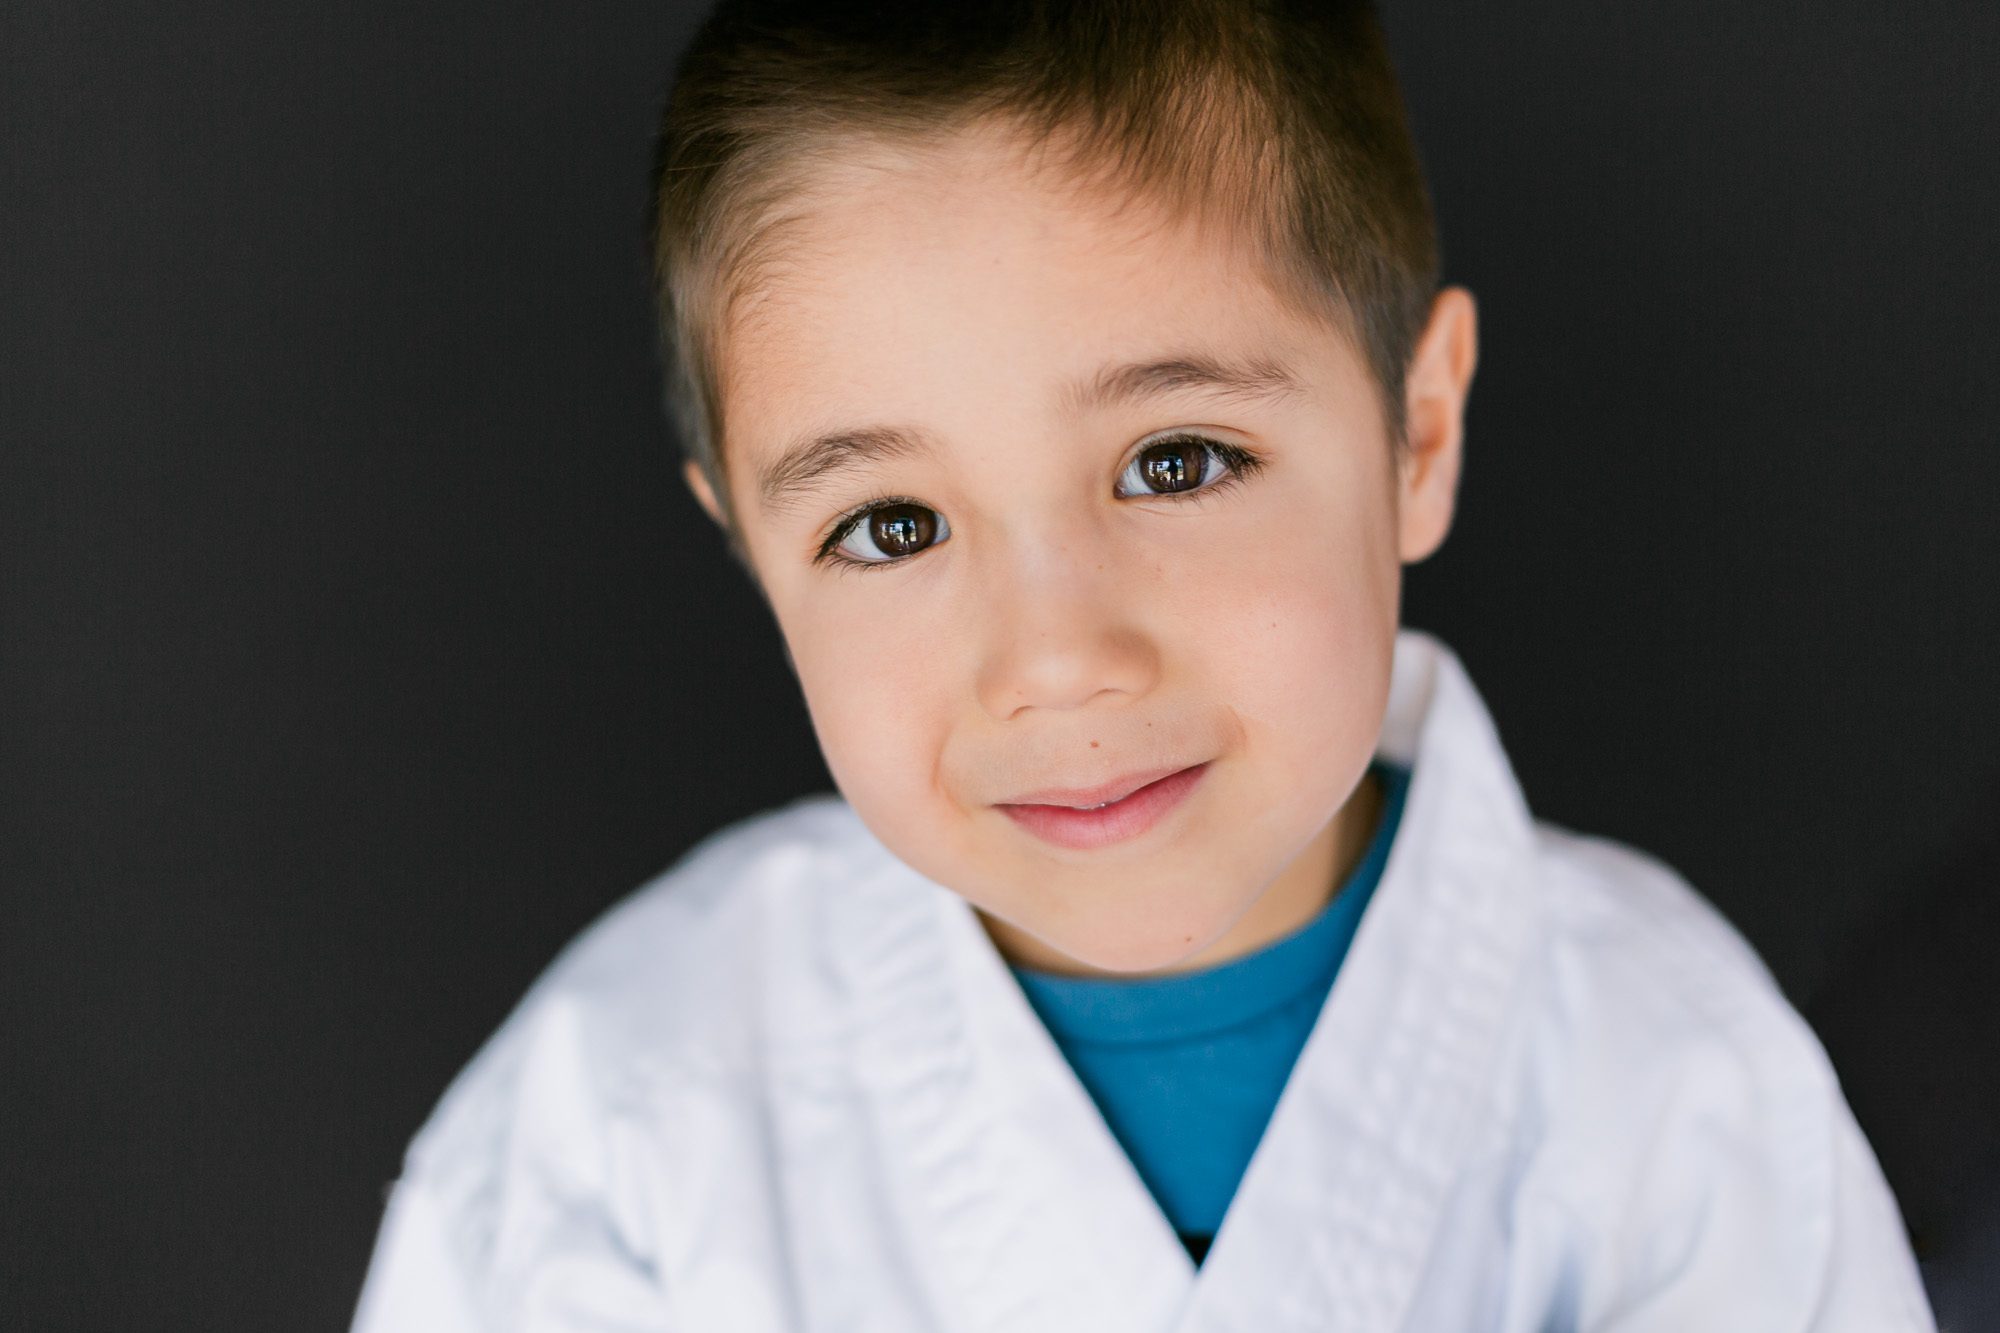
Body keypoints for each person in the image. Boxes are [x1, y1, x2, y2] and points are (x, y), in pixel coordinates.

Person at [350, 1, 1937, 1328]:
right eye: (890, 525)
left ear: (1416, 433)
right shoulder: (613, 1124)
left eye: (1176, 462)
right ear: (755, 555)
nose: (1057, 659)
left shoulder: (1675, 1096)